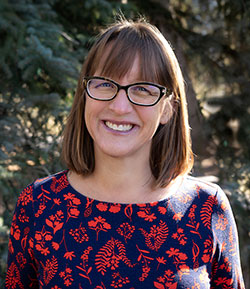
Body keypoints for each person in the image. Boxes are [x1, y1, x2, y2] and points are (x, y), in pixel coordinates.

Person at [5, 18, 245, 289]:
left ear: (168, 109)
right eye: (105, 84)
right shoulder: (40, 205)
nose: (120, 106)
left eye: (142, 89)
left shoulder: (206, 208)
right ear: (85, 94)